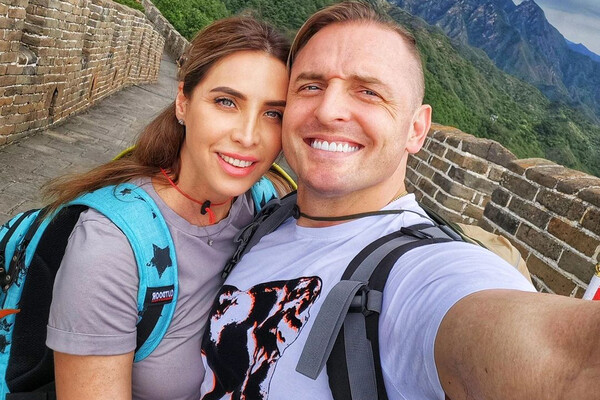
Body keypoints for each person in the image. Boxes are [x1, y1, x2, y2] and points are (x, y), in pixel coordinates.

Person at [198, 2, 600, 400]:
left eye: (368, 92)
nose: (329, 110)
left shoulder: (422, 273)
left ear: (416, 130)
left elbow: (565, 361)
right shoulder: (266, 217)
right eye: (311, 86)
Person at [43, 16, 291, 400]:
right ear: (183, 102)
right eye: (226, 102)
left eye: (273, 113)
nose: (247, 136)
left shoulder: (267, 205)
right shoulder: (109, 247)